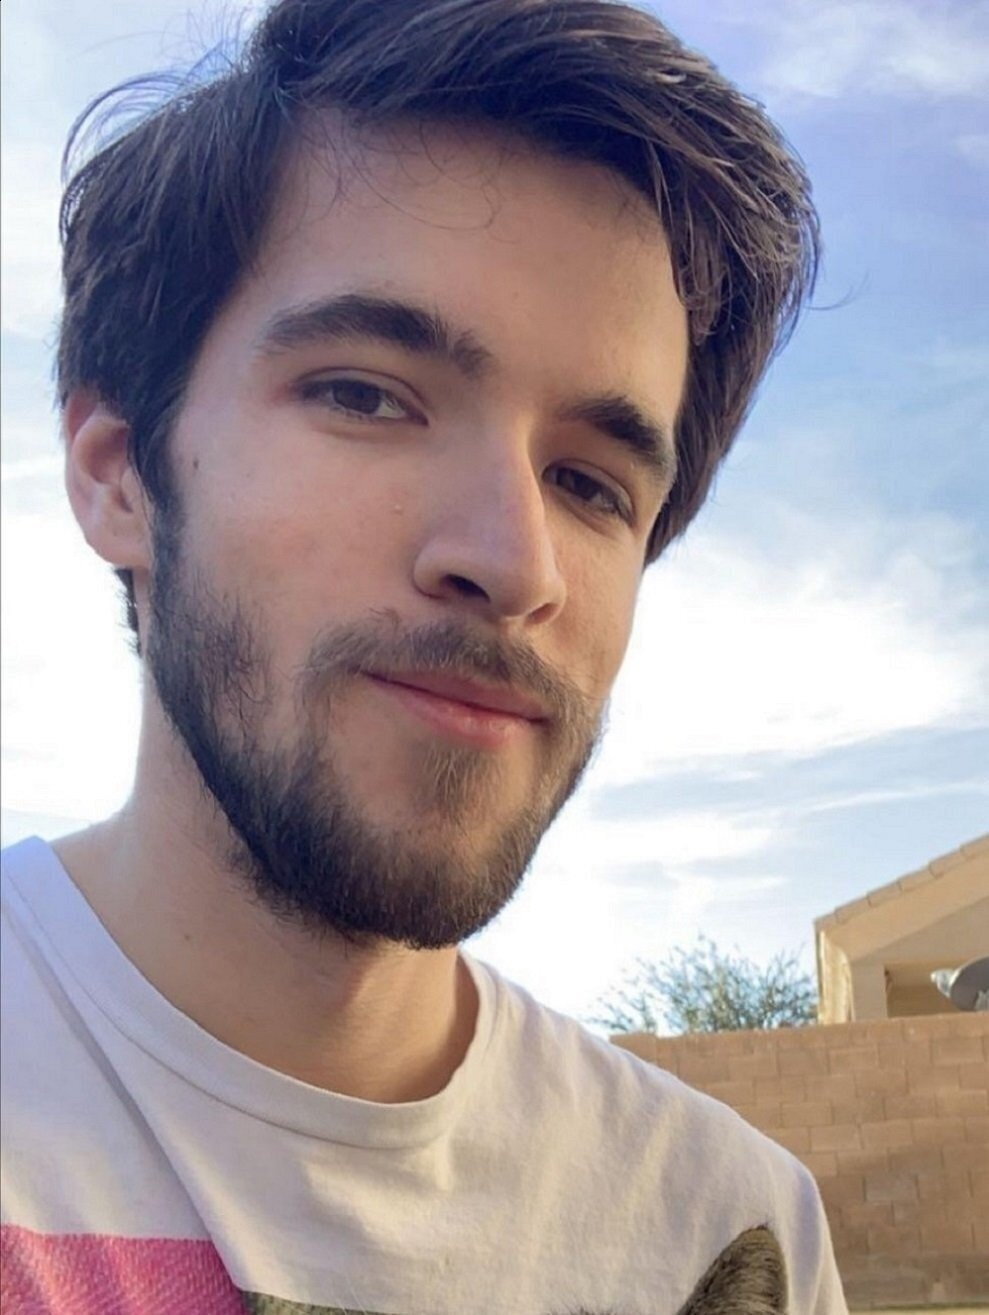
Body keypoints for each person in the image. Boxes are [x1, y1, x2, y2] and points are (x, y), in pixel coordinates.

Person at [0, 0, 846, 1310]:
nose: (516, 563)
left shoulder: (723, 1226)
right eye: (366, 396)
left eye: (590, 483)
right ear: (119, 476)